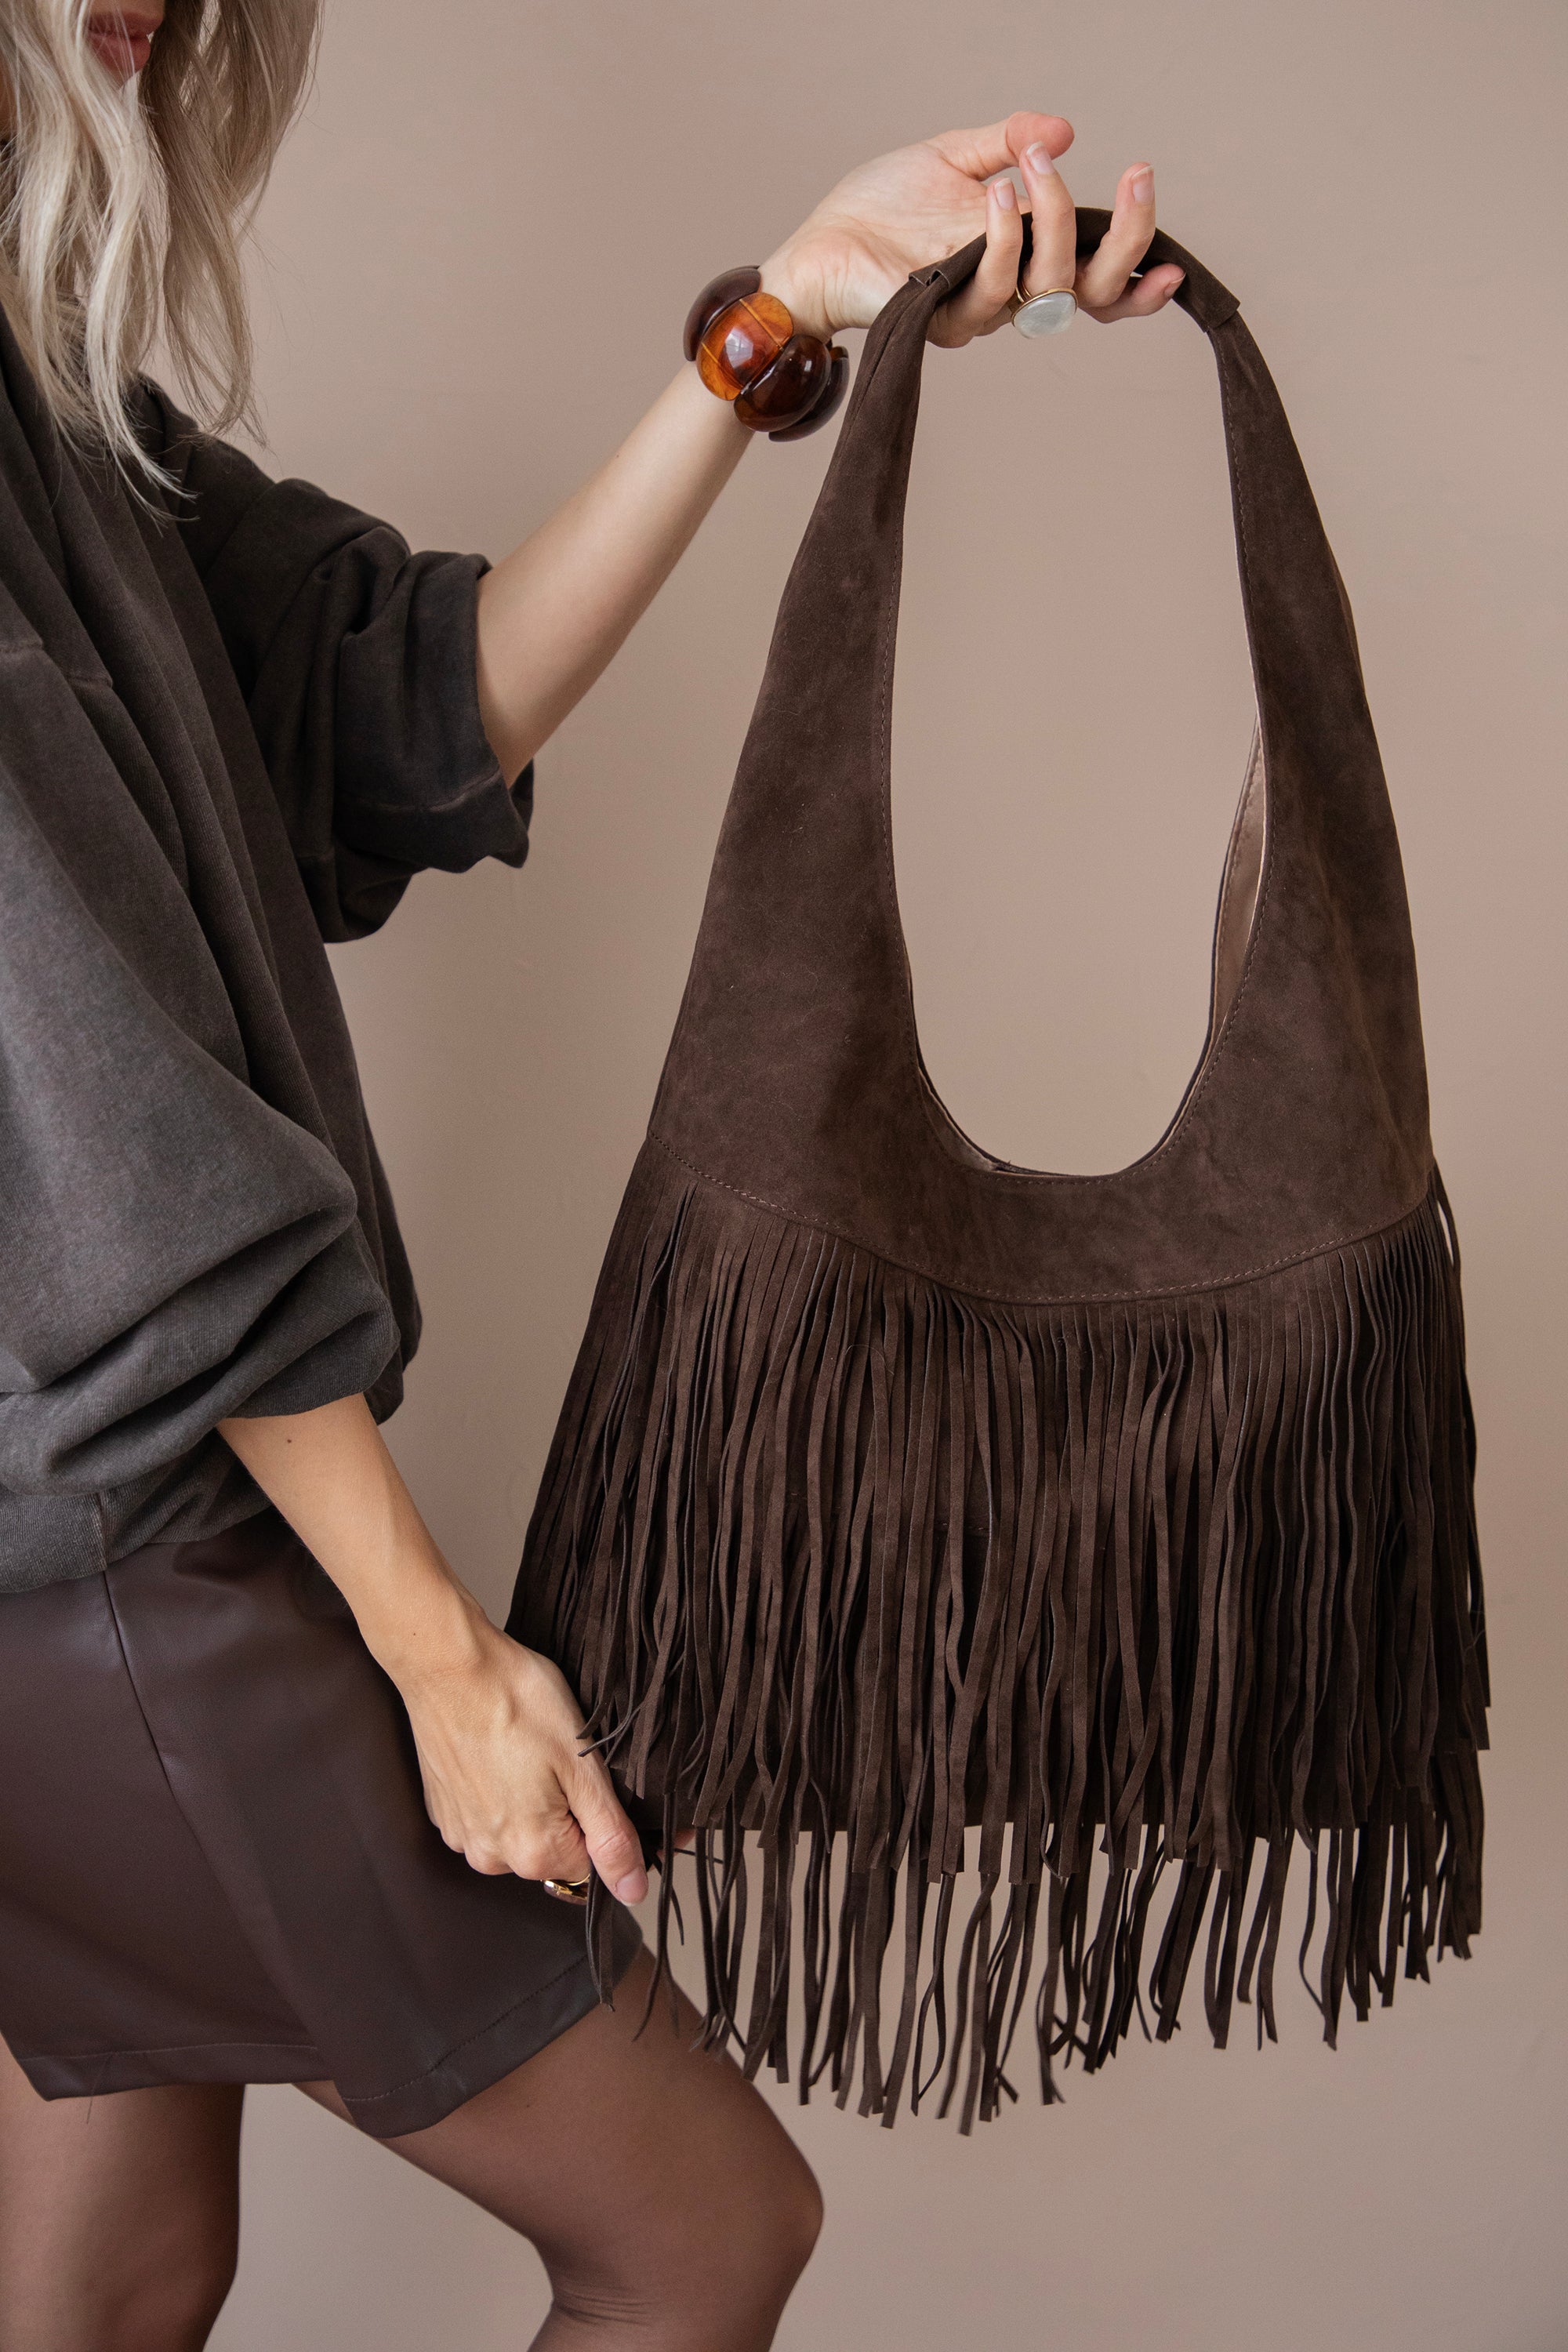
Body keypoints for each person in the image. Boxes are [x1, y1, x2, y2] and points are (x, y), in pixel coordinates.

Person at [0, 5, 1185, 2347]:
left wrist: (792, 308)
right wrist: (434, 1650)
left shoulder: (49, 407)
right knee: (696, 2233)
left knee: (115, 2277)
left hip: (75, 1544)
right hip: (112, 1554)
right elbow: (99, 1125)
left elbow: (414, 701)